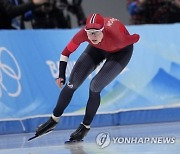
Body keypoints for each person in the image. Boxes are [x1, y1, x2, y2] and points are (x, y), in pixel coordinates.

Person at [35, 13, 140, 143]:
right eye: (89, 33)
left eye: (95, 33)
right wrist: (61, 74)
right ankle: (53, 120)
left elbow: (135, 38)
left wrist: (133, 37)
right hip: (96, 49)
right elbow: (65, 52)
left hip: (121, 52)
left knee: (95, 86)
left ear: (103, 30)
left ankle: (85, 127)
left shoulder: (118, 37)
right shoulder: (84, 35)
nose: (92, 36)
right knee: (72, 83)